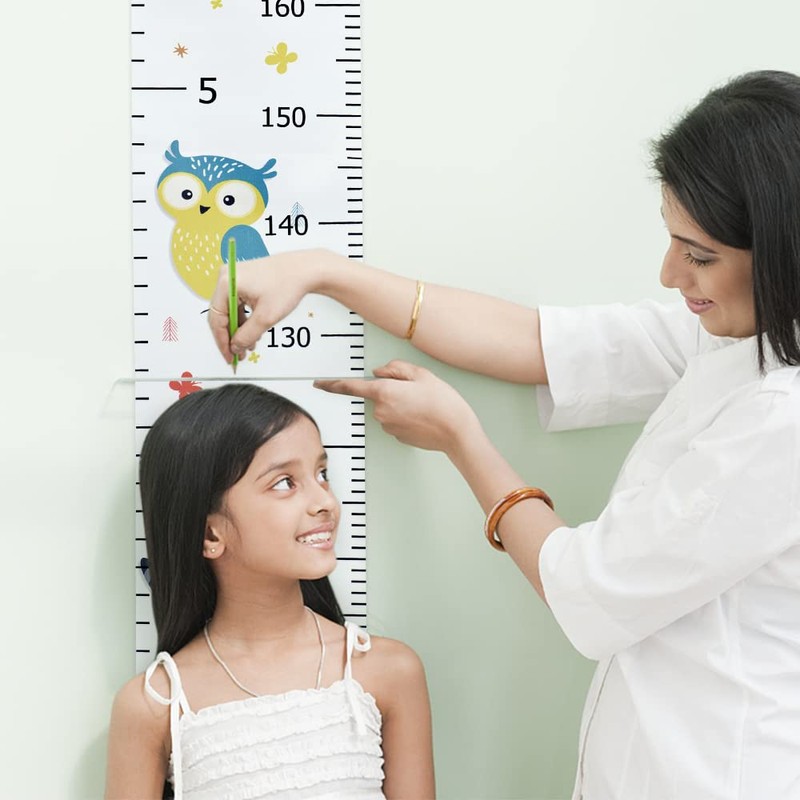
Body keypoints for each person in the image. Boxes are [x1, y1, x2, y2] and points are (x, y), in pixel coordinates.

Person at [206, 70, 800, 799]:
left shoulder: (783, 420)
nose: (670, 273)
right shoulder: (741, 330)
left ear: (784, 254)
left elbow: (591, 593)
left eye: (699, 255)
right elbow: (537, 342)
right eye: (673, 240)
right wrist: (327, 273)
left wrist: (463, 438)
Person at [105, 384, 435, 800]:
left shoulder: (389, 671)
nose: (325, 502)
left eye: (322, 474)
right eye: (284, 483)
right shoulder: (156, 704)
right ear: (210, 534)